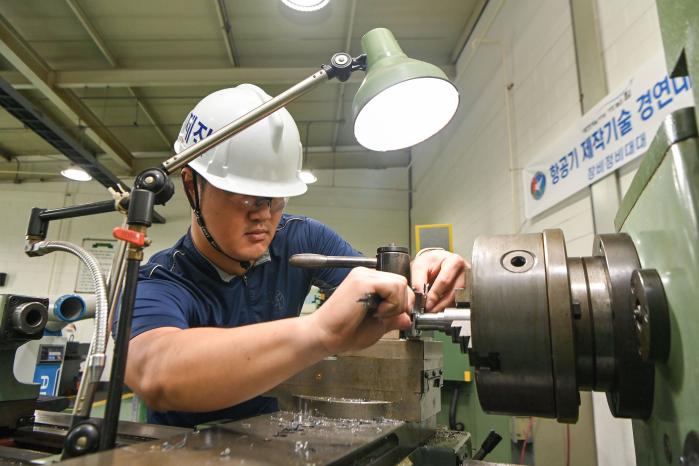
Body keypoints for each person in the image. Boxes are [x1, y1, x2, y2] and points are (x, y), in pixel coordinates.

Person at [122, 84, 467, 428]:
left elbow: (386, 292)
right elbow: (156, 373)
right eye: (246, 196)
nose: (264, 214)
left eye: (276, 197)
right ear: (191, 186)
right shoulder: (159, 279)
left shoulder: (300, 237)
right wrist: (317, 332)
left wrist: (427, 264)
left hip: (270, 440)